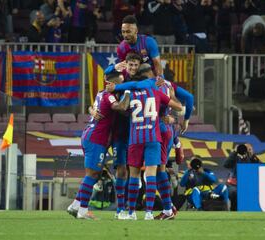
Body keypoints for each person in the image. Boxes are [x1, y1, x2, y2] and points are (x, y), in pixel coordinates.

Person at [67, 71, 130, 219]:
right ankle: (82, 211)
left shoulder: (100, 93)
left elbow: (96, 106)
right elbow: (119, 107)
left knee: (94, 175)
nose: (122, 85)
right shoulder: (109, 97)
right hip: (96, 138)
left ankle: (75, 205)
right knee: (92, 175)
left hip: (90, 135)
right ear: (113, 84)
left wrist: (91, 109)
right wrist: (128, 92)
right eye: (120, 83)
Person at [124, 80, 183, 220]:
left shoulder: (133, 92)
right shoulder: (160, 89)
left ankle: (134, 212)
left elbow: (120, 108)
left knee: (140, 174)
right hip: (156, 134)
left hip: (144, 134)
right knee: (153, 173)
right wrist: (173, 116)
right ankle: (154, 211)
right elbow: (180, 106)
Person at [223, 143, 259, 210]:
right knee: (235, 193)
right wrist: (234, 152)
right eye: (245, 149)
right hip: (233, 185)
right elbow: (226, 164)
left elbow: (261, 168)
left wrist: (252, 156)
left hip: (248, 185)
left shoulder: (253, 159)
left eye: (249, 149)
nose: (247, 151)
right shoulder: (235, 157)